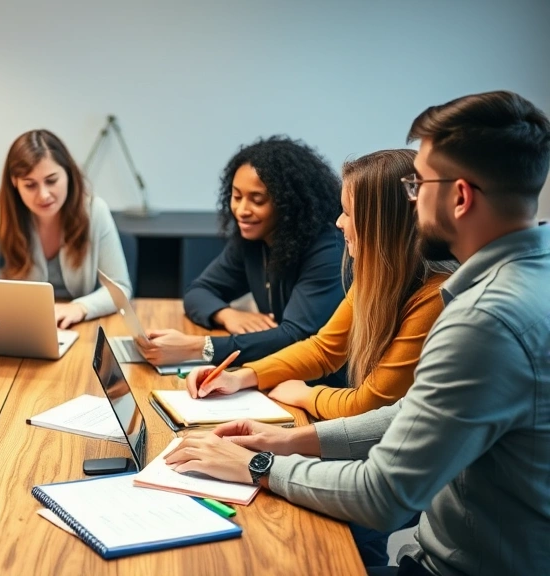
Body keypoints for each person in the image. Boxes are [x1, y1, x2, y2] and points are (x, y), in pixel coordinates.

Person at [165, 91, 550, 575]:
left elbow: (383, 495)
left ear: (459, 196)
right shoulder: (529, 277)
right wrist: (283, 441)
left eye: (418, 184)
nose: (412, 200)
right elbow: (409, 414)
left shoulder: (484, 319)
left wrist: (254, 467)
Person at [194, 149, 454, 422]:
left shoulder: (434, 297)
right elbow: (323, 349)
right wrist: (241, 377)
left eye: (348, 214)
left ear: (381, 225)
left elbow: (370, 404)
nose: (339, 223)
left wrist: (304, 394)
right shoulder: (376, 280)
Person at [138, 137, 345, 376]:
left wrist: (197, 347)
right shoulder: (252, 239)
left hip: (323, 385)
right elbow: (198, 291)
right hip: (277, 372)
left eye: (257, 200)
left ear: (289, 204)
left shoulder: (329, 249)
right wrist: (226, 314)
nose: (242, 210)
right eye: (236, 197)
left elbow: (295, 336)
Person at [0, 129, 131, 329]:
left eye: (51, 181)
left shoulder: (94, 211)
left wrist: (81, 307)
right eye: (30, 185)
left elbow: (120, 288)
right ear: (15, 183)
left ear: (68, 174)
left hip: (77, 327)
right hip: (18, 326)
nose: (43, 195)